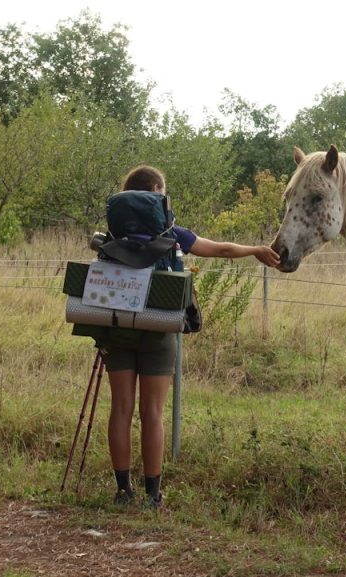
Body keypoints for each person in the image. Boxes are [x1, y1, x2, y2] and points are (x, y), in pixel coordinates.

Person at [104, 164, 280, 509]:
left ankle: (123, 491)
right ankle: (154, 495)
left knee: (120, 409)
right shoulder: (171, 232)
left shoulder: (112, 234)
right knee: (152, 411)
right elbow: (222, 249)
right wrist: (255, 249)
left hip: (116, 325)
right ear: (157, 191)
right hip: (158, 326)